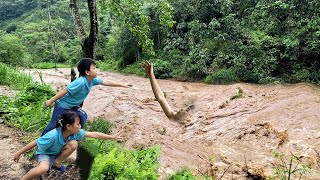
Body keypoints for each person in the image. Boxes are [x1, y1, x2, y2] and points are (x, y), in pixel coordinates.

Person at [13, 110, 123, 180]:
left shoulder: (74, 133)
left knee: (73, 144)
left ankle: (57, 162)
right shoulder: (52, 135)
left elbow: (94, 134)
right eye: (78, 124)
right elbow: (35, 142)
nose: (80, 126)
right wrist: (19, 153)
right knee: (43, 168)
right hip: (45, 153)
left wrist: (111, 137)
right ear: (69, 126)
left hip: (56, 151)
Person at [42, 57, 131, 136]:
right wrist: (50, 101)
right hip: (62, 106)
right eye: (94, 68)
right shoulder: (80, 82)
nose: (96, 70)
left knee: (82, 116)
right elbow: (64, 91)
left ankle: (71, 136)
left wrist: (122, 84)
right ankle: (41, 142)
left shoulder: (92, 80)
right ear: (87, 72)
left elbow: (106, 82)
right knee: (53, 124)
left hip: (72, 106)